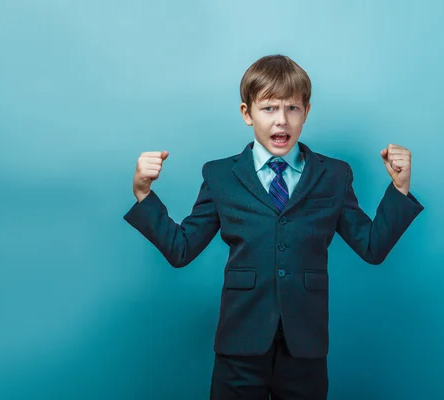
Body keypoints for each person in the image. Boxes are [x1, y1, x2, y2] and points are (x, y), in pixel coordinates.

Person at [123, 54, 425, 400]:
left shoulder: (334, 175)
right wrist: (143, 194)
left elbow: (372, 246)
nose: (281, 121)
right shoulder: (220, 175)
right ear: (246, 113)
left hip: (305, 346)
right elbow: (181, 248)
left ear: (306, 112)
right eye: (269, 109)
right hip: (240, 343)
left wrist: (399, 189)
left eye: (292, 108)